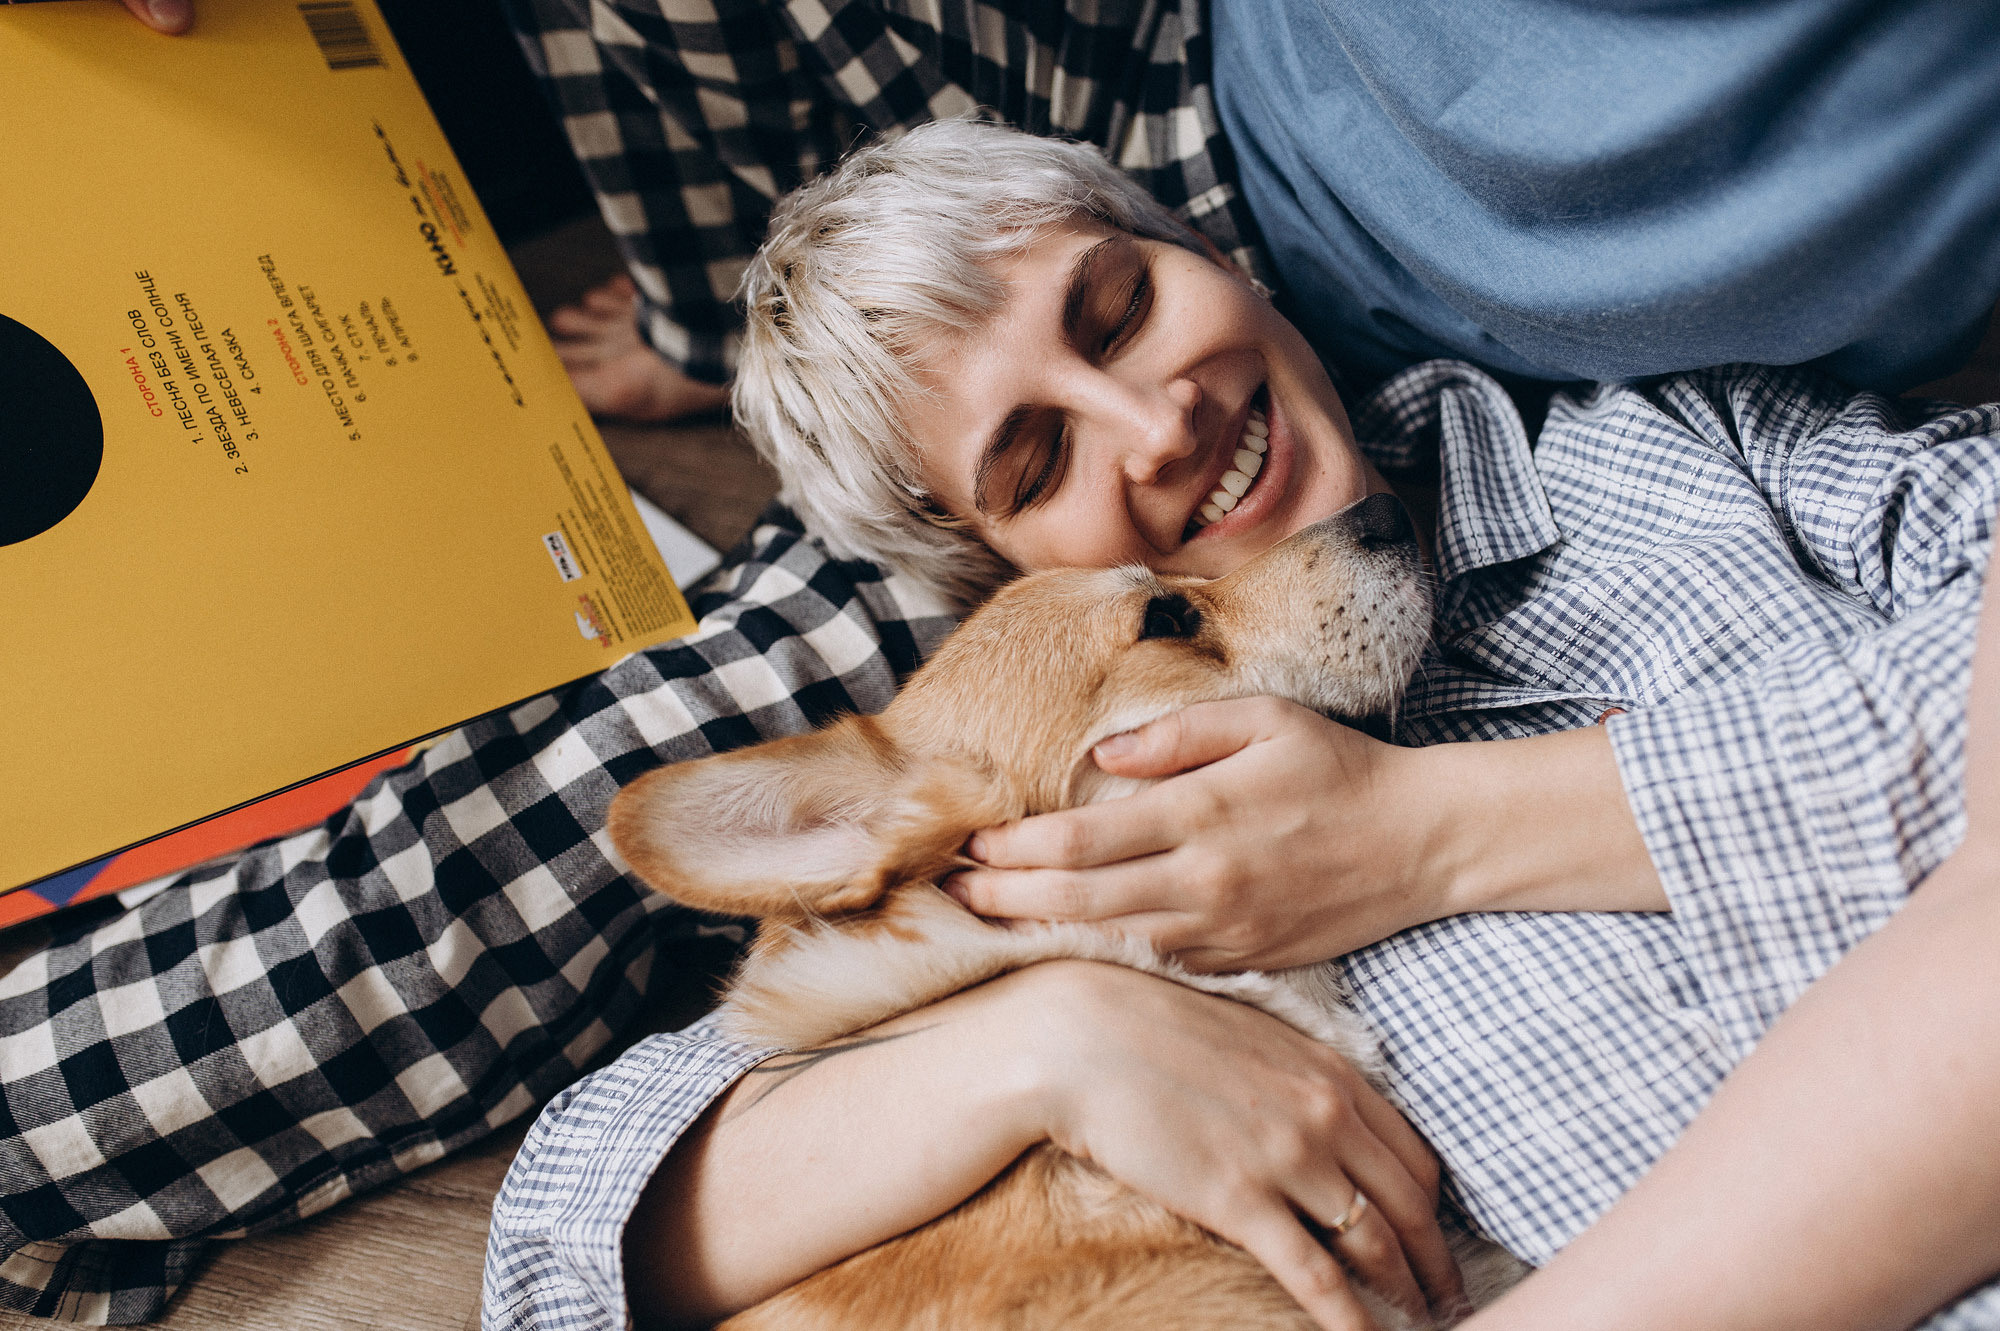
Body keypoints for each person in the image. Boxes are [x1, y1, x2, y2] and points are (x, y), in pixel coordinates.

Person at [476, 120, 2000, 1331]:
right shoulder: (1067, 859)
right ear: (993, 583)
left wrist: (1439, 834)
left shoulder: (1683, 449)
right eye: (1031, 462)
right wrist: (1040, 1048)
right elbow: (558, 1248)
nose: (1156, 422)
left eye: (1121, 307)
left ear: (1210, 252)